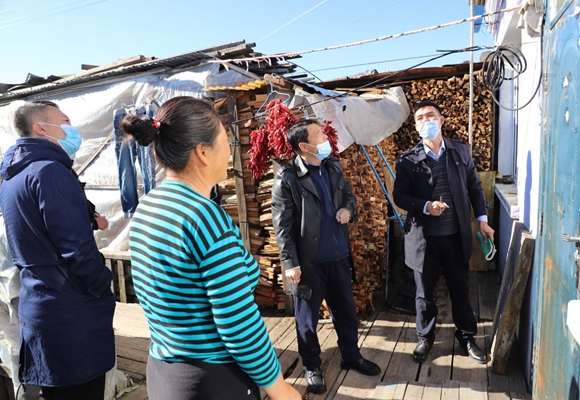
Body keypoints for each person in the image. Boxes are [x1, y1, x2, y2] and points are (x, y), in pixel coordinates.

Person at [122, 96, 301, 400]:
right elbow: (238, 324)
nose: (230, 150)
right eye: (225, 141)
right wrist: (279, 387)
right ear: (203, 152)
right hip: (212, 380)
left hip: (165, 369)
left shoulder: (149, 204)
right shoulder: (205, 218)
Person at [0, 100, 116, 400]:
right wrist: (101, 283)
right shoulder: (49, 171)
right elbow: (75, 247)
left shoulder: (13, 175)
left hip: (40, 298)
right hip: (69, 309)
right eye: (64, 122)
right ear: (41, 128)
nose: (71, 129)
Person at [271, 119, 381, 395]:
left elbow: (349, 196)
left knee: (346, 312)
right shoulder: (288, 178)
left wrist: (348, 211)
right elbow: (282, 226)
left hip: (339, 256)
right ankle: (312, 366)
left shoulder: (332, 167)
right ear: (304, 146)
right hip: (309, 264)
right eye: (319, 134)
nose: (325, 137)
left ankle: (351, 355)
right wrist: (290, 263)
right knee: (307, 320)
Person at [393, 100, 494, 364]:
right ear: (415, 126)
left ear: (442, 120)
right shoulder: (408, 160)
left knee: (460, 289)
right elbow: (400, 196)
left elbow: (474, 186)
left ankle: (467, 337)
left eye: (430, 116)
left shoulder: (460, 151)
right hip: (423, 239)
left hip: (454, 237)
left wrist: (482, 220)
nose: (425, 121)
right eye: (420, 118)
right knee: (423, 294)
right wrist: (426, 206)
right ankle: (425, 338)